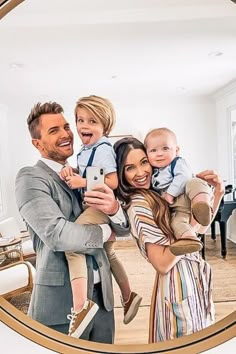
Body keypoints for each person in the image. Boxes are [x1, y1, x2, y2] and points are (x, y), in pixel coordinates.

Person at [15, 101, 130, 344]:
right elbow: (57, 235)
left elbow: (123, 229)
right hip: (60, 306)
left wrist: (114, 209)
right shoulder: (30, 177)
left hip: (102, 301)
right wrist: (103, 233)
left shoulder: (84, 174)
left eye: (66, 126)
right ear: (37, 143)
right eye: (53, 130)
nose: (67, 133)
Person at [113, 137, 225, 342]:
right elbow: (163, 263)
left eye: (144, 162)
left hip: (190, 279)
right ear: (121, 174)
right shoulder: (138, 205)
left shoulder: (158, 194)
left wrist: (216, 194)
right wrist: (188, 230)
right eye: (130, 168)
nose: (140, 172)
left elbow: (196, 231)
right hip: (177, 283)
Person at [60, 95, 142, 337]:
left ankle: (81, 308)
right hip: (94, 206)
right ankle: (128, 296)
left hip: (98, 207)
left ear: (105, 126)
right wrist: (74, 171)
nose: (84, 125)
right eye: (80, 120)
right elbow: (91, 171)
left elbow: (112, 180)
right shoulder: (86, 150)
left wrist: (81, 181)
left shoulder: (103, 148)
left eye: (92, 121)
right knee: (109, 252)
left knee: (72, 246)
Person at [144, 127, 213, 256]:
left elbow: (184, 177)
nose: (159, 153)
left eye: (165, 148)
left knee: (195, 183)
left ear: (176, 150)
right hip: (178, 209)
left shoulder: (177, 163)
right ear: (147, 154)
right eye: (153, 150)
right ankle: (189, 239)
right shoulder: (153, 172)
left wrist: (170, 194)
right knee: (176, 222)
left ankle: (202, 206)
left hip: (189, 196)